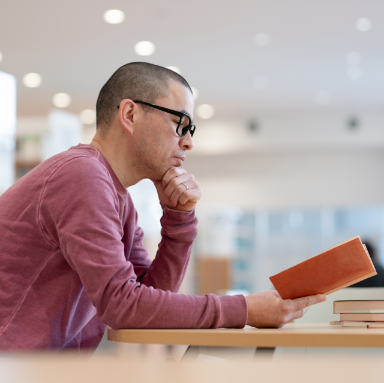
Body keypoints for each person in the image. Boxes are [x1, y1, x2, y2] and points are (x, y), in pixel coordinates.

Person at [0, 62, 326, 352]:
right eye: (180, 123)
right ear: (130, 114)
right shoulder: (80, 175)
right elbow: (122, 307)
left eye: (190, 130)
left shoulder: (117, 197)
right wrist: (243, 309)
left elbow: (147, 302)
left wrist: (180, 221)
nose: (188, 142)